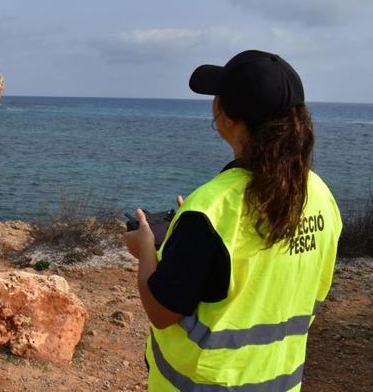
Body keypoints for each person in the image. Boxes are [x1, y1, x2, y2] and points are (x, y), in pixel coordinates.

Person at [124, 50, 342, 390]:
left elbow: (162, 313)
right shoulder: (319, 194)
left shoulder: (210, 209)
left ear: (227, 116)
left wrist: (146, 250)